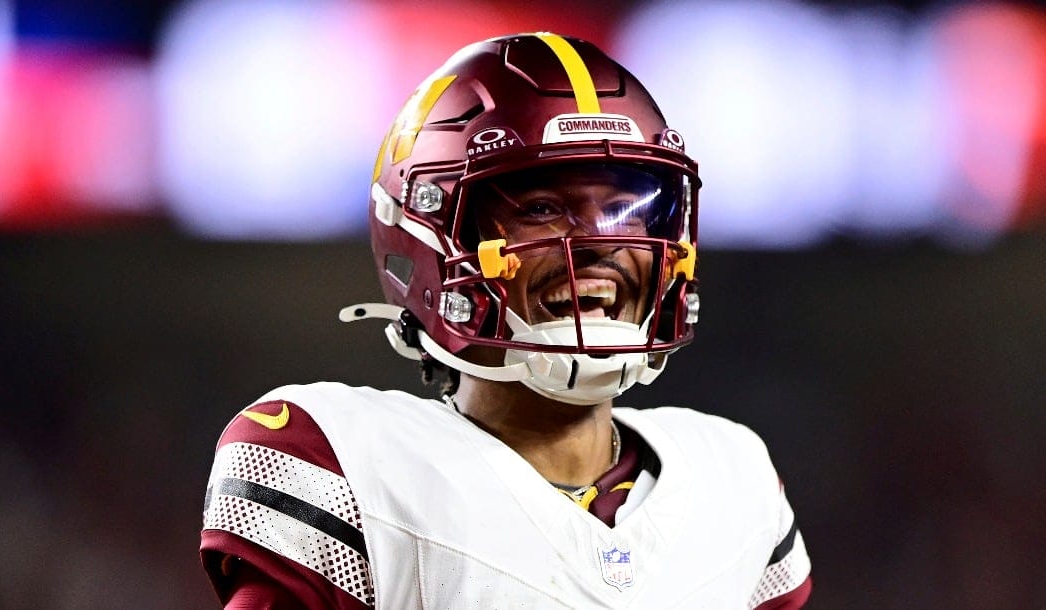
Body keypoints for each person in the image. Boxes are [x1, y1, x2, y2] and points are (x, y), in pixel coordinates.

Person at [200, 33, 812, 609]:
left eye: (627, 208)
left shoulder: (734, 480)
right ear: (436, 241)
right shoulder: (342, 463)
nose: (599, 242)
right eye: (543, 209)